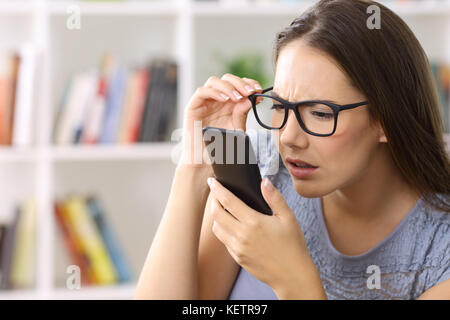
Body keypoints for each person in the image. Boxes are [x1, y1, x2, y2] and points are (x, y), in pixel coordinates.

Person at [134, 0, 450, 300]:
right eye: (281, 106)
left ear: (385, 121)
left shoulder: (438, 246)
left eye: (321, 113)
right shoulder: (259, 168)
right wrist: (192, 171)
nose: (288, 137)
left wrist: (293, 280)